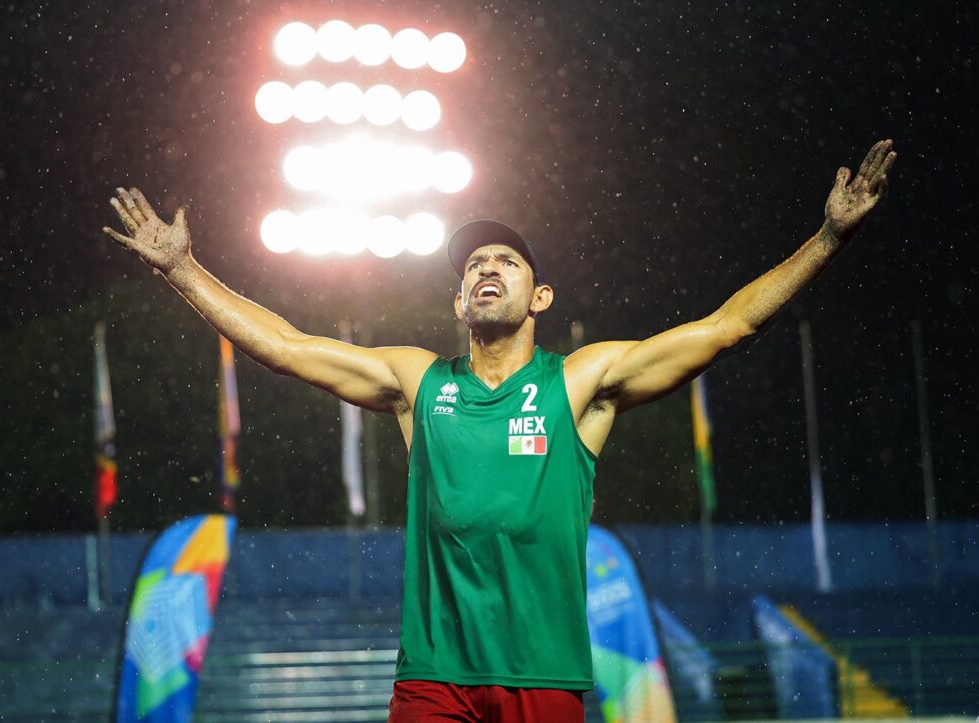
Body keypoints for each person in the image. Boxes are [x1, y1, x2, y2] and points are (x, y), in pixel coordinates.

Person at [103, 139, 896, 722]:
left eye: (507, 262)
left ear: (540, 296)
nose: (486, 268)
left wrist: (826, 240)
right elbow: (285, 347)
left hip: (543, 680)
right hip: (434, 680)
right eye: (474, 263)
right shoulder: (420, 384)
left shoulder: (580, 383)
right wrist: (183, 271)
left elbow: (727, 327)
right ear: (458, 302)